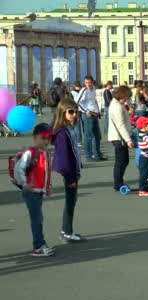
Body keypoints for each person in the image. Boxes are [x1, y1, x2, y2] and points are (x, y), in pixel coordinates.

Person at [15, 123, 54, 256]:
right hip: (30, 192)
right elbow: (19, 169)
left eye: (48, 138)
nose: (46, 141)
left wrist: (48, 187)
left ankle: (40, 243)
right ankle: (38, 246)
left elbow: (47, 172)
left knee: (38, 218)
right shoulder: (30, 152)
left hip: (39, 191)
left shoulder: (47, 153)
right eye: (43, 137)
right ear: (35, 138)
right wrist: (25, 184)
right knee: (36, 219)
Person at [52, 98, 85, 243]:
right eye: (70, 112)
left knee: (72, 200)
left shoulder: (69, 128)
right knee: (70, 201)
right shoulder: (61, 132)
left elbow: (74, 151)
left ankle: (67, 230)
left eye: (76, 112)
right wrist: (71, 177)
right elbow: (65, 158)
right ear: (62, 112)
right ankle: (66, 231)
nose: (74, 114)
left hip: (73, 170)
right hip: (69, 172)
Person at [108, 85, 135, 191]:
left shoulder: (117, 104)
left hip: (120, 137)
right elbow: (120, 125)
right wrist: (128, 140)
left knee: (124, 160)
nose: (128, 99)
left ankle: (119, 182)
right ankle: (118, 184)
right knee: (121, 161)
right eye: (127, 97)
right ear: (123, 96)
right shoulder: (117, 107)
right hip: (119, 137)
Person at [75, 76, 106, 162]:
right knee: (88, 136)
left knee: (97, 135)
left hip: (95, 114)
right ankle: (89, 155)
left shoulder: (93, 89)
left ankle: (97, 154)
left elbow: (94, 101)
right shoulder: (84, 90)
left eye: (89, 82)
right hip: (87, 115)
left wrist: (98, 111)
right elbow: (77, 102)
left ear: (92, 82)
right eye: (86, 82)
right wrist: (86, 111)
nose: (88, 84)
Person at [136, 116, 148, 197]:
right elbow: (147, 139)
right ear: (144, 126)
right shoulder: (143, 135)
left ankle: (145, 187)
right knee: (144, 174)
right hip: (145, 158)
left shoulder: (144, 134)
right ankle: (142, 190)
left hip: (146, 157)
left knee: (146, 173)